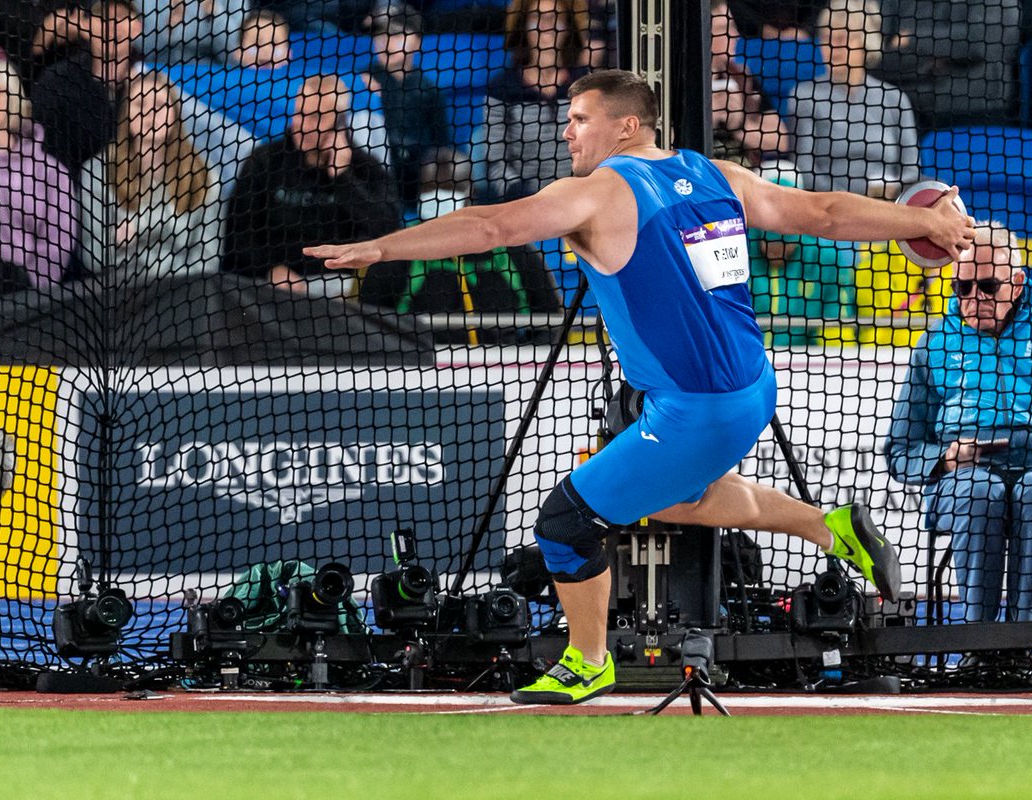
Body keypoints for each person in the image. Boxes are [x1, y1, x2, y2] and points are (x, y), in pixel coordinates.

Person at [306, 69, 973, 704]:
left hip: (697, 410)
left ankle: (587, 663)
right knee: (683, 499)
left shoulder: (597, 191)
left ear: (626, 127)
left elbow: (489, 227)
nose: (567, 132)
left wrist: (382, 249)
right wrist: (922, 221)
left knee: (565, 524)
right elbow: (824, 212)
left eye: (578, 119)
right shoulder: (712, 172)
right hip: (752, 388)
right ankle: (830, 529)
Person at [884, 221, 1032, 624]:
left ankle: (1022, 643)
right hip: (964, 473)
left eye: (988, 287)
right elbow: (901, 449)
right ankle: (979, 642)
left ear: (1016, 283)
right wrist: (945, 458)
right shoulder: (934, 344)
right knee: (980, 491)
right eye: (963, 288)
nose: (974, 298)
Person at [224, 74, 402, 298]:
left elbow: (387, 227)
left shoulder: (364, 168)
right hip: (270, 288)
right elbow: (238, 233)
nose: (303, 125)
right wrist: (269, 269)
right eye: (300, 114)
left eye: (316, 117)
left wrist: (343, 177)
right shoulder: (265, 161)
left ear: (340, 122)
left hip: (343, 290)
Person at [79, 70, 223, 281]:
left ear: (174, 114)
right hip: (123, 294)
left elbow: (208, 259)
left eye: (158, 106)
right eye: (140, 105)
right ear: (126, 113)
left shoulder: (203, 175)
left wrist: (140, 226)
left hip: (184, 297)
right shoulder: (97, 172)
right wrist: (116, 243)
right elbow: (93, 258)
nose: (149, 114)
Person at [786, 0, 918, 199]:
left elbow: (912, 170)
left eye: (843, 38)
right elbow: (805, 168)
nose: (833, 46)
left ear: (864, 43)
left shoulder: (894, 99)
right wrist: (847, 200)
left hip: (888, 206)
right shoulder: (804, 96)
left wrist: (893, 190)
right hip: (831, 208)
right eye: (827, 38)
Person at [0, 58, 78, 297]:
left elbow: (59, 241)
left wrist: (29, 284)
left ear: (12, 96)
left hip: (29, 298)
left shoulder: (50, 171)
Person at [471, 0, 590, 202]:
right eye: (536, 17)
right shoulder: (502, 88)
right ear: (523, 26)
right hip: (522, 205)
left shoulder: (588, 86)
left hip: (579, 200)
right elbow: (496, 160)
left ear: (569, 26)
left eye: (555, 17)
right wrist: (522, 197)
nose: (546, 25)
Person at [871, 0, 1021, 128]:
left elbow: (980, 43)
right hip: (901, 108)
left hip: (973, 112)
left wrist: (912, 39)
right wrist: (937, 54)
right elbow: (870, 55)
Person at [30, 0, 143, 167]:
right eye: (102, 16)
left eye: (120, 17)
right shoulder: (57, 81)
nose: (111, 25)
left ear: (137, 27)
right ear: (86, 25)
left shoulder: (151, 85)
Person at [362, 2, 453, 204]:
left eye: (395, 35)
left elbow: (441, 143)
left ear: (417, 41)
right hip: (375, 170)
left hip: (417, 172)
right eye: (379, 35)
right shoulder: (362, 81)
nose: (385, 42)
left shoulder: (429, 89)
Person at [710, 0, 789, 169]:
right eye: (724, 29)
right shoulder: (681, 84)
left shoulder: (743, 78)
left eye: (733, 26)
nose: (735, 34)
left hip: (742, 169)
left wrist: (739, 125)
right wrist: (706, 119)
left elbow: (780, 140)